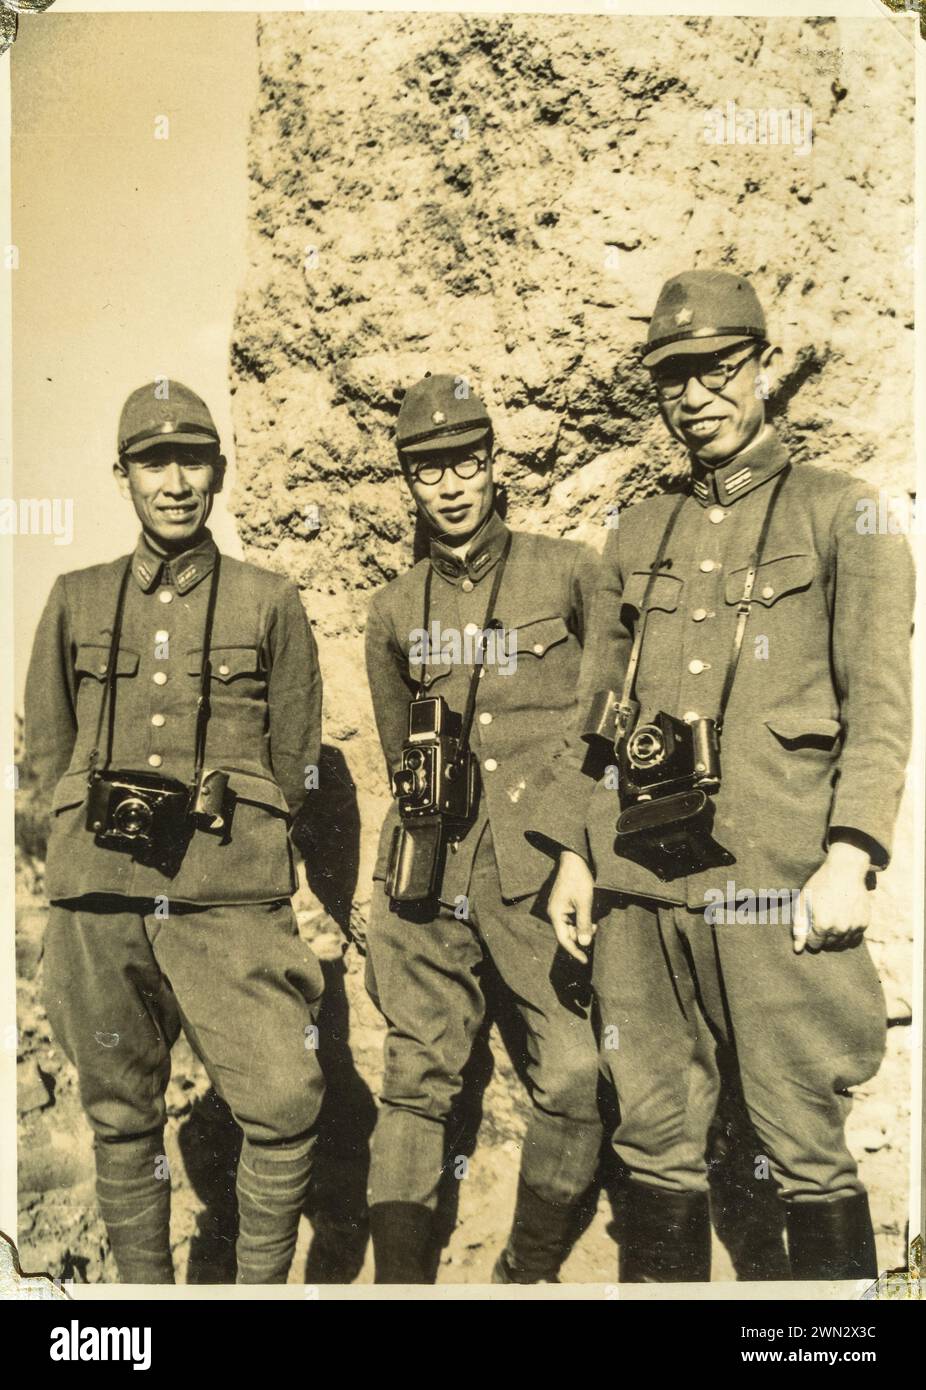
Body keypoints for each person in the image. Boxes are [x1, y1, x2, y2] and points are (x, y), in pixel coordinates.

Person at [539, 269, 914, 1282]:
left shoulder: (845, 516)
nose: (695, 395)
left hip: (773, 872)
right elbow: (597, 720)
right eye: (673, 379)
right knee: (652, 1130)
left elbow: (877, 703)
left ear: (760, 367)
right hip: (637, 880)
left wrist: (850, 854)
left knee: (802, 1138)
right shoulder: (635, 531)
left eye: (717, 368)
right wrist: (579, 854)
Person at [25, 380, 325, 1284]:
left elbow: (295, 754)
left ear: (220, 472)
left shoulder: (267, 600)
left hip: (226, 892)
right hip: (99, 895)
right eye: (154, 462)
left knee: (281, 1099)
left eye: (193, 459)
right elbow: (48, 748)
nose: (176, 481)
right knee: (120, 1110)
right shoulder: (76, 598)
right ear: (123, 476)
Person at [363, 372, 603, 1283]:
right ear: (410, 483)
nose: (452, 485)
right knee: (415, 1087)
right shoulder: (394, 609)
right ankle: (398, 1286)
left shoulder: (569, 572)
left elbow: (601, 721)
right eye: (430, 471)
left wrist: (576, 844)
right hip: (427, 877)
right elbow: (397, 746)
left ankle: (526, 1271)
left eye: (467, 462)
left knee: (578, 1075)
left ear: (495, 464)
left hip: (540, 875)